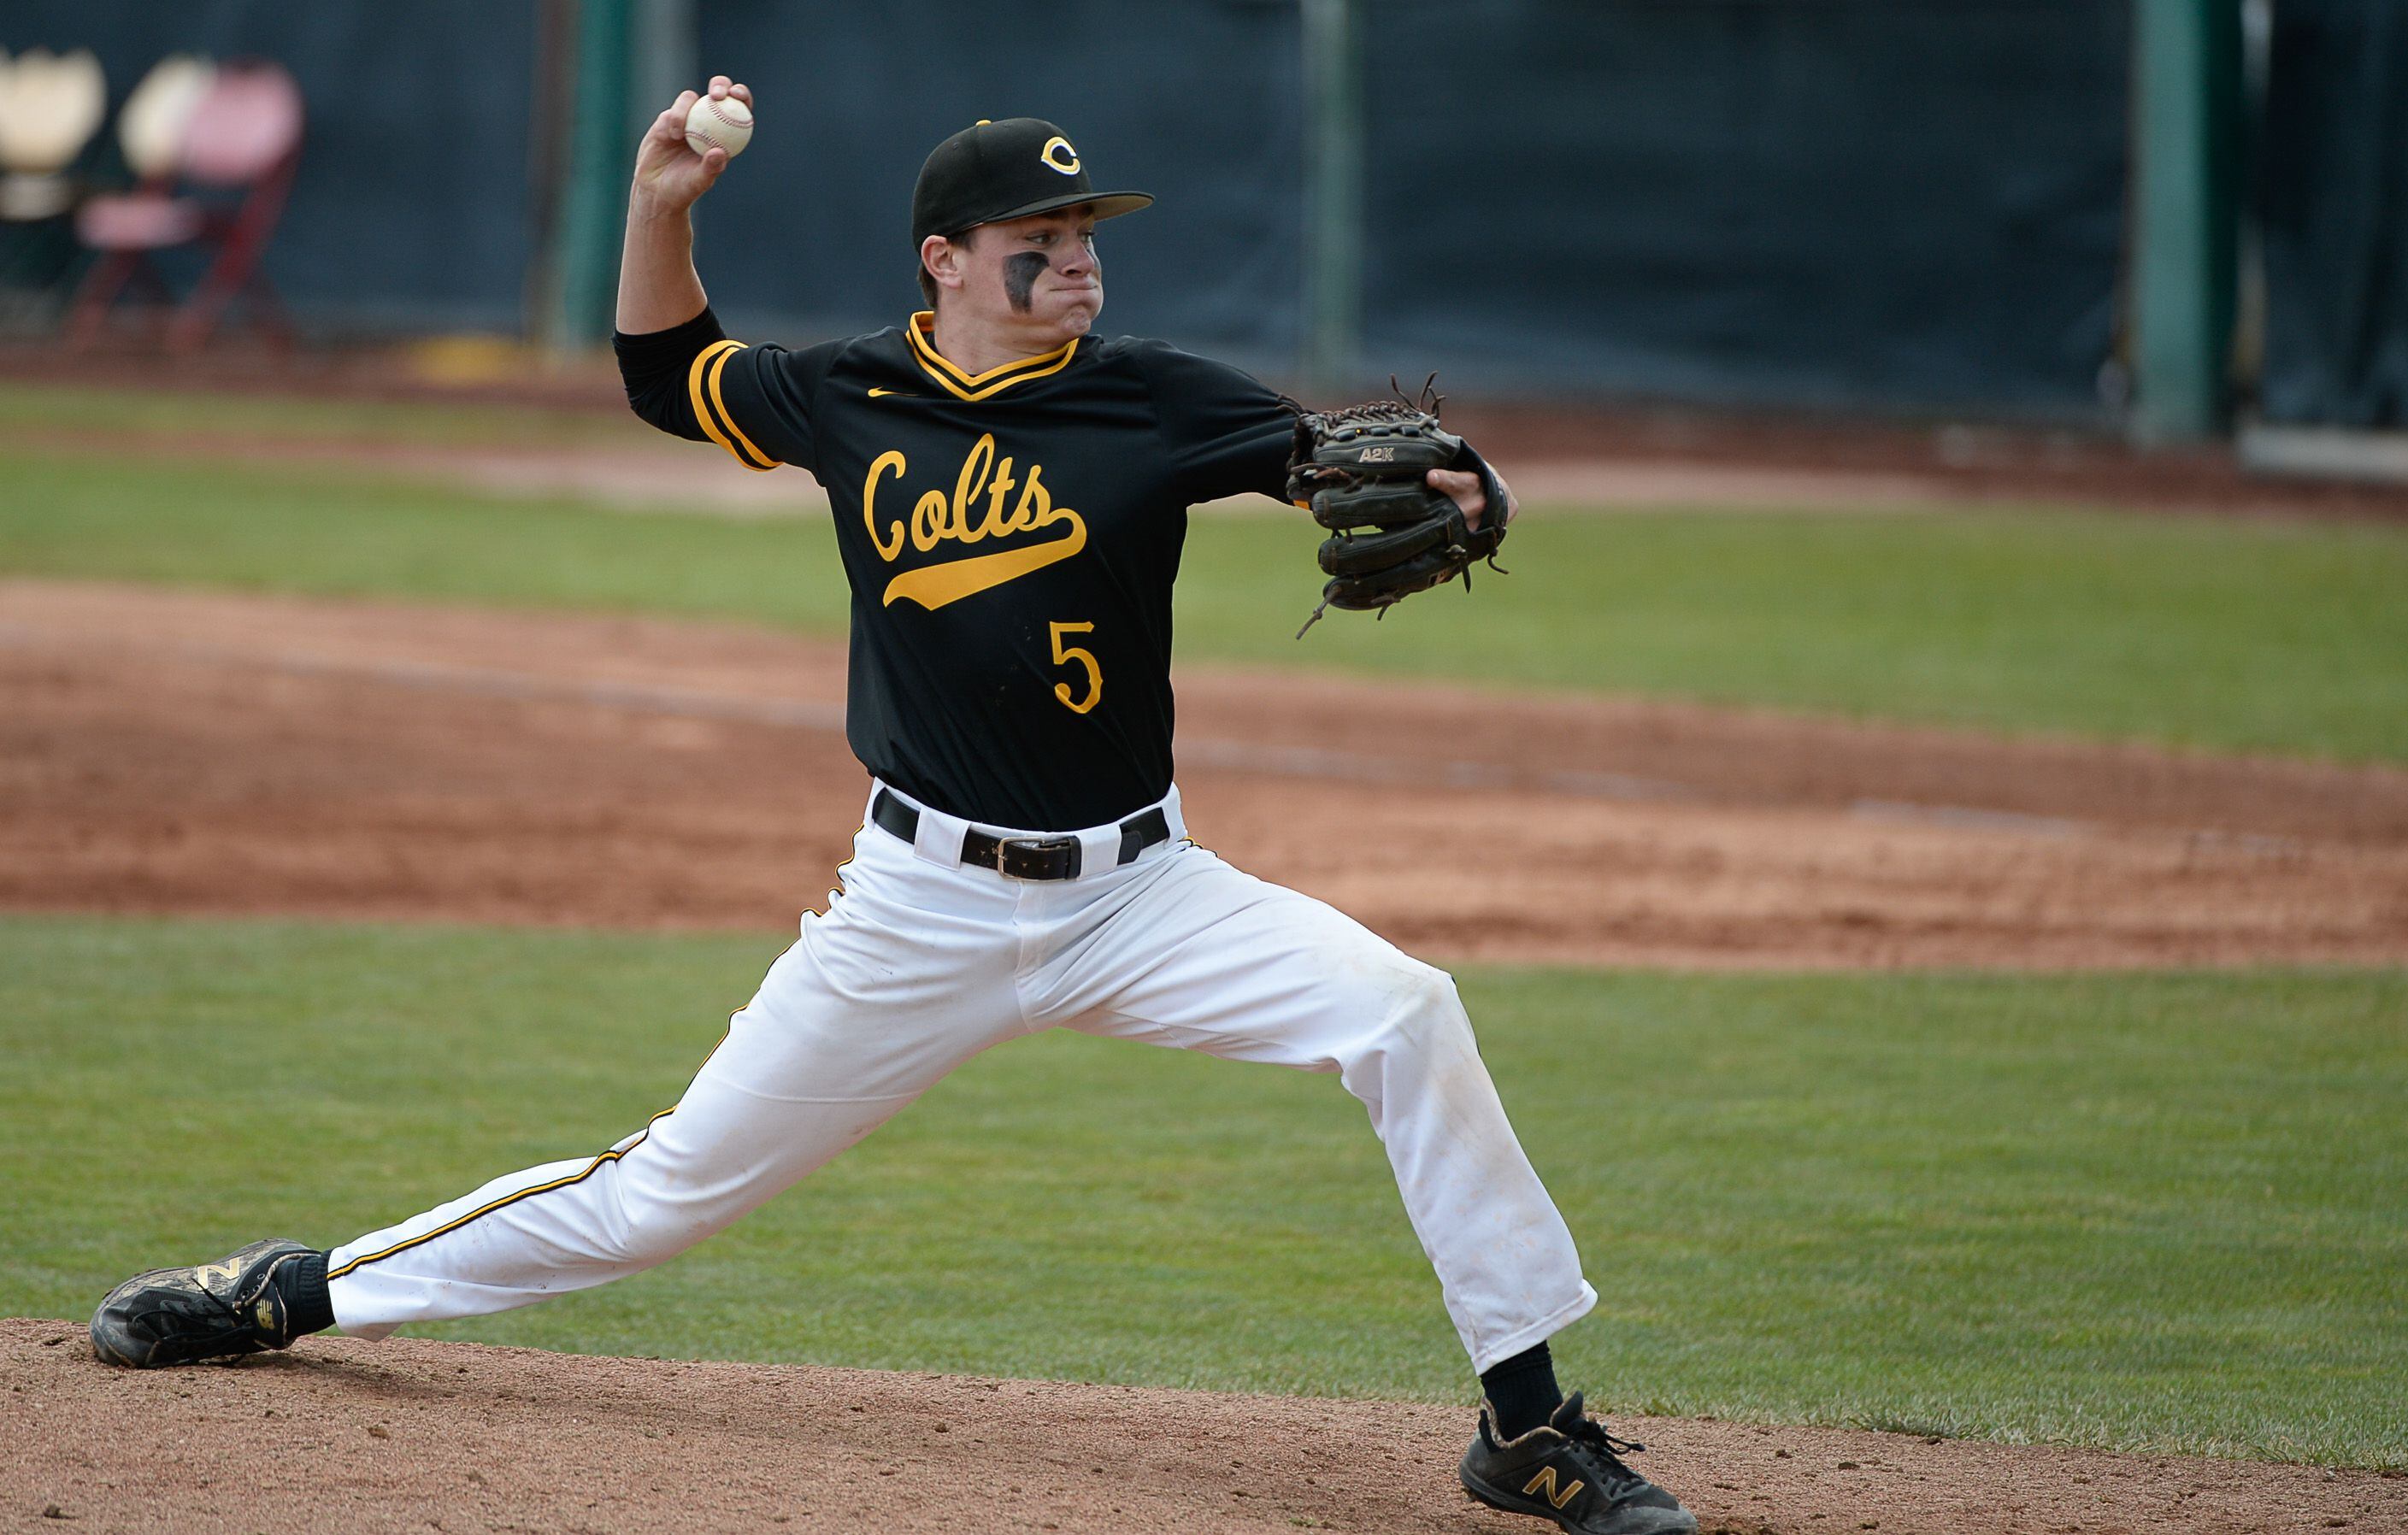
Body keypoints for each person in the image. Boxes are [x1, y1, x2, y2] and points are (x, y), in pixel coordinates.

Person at [86, 78, 1697, 1535]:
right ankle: (291, 1291)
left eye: (1086, 236)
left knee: (1405, 1013)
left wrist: (1465, 482)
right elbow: (665, 375)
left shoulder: (1149, 398)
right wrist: (660, 205)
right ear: (945, 259)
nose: (1079, 262)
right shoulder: (848, 391)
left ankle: (1529, 1429)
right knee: (656, 1198)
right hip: (916, 907)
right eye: (1041, 240)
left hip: (1142, 897)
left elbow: (1348, 459)